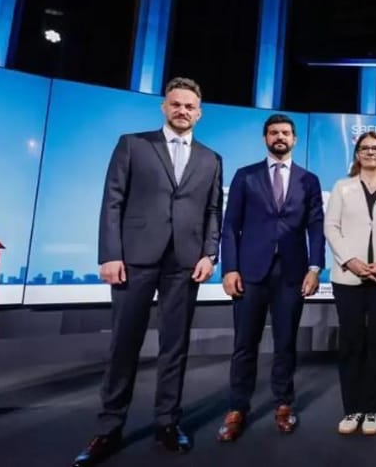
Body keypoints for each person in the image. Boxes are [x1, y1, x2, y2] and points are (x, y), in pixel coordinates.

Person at [73, 77, 223, 466]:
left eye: (190, 106)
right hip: (134, 258)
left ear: (199, 112)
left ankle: (167, 423)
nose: (182, 111)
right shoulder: (133, 144)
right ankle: (108, 428)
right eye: (176, 104)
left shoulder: (211, 158)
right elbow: (113, 201)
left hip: (186, 263)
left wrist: (210, 253)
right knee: (124, 344)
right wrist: (110, 254)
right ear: (164, 107)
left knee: (175, 347)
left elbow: (212, 211)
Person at [215, 114, 325, 442]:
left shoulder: (309, 180)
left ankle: (283, 403)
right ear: (265, 138)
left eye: (286, 133)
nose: (280, 137)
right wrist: (230, 268)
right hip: (249, 273)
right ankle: (237, 407)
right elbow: (230, 226)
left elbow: (316, 226)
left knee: (286, 343)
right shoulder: (245, 176)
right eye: (274, 132)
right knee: (244, 344)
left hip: (292, 273)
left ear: (295, 139)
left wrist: (315, 268)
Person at [324, 131, 376, 436]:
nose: (370, 152)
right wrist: (351, 261)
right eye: (364, 148)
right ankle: (353, 407)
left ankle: (374, 408)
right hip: (348, 276)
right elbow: (331, 227)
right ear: (357, 154)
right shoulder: (342, 187)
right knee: (352, 342)